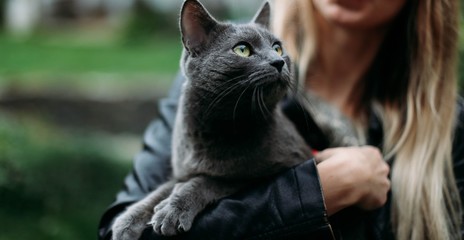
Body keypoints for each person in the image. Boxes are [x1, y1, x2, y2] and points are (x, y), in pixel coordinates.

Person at [98, 0, 464, 239]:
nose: (273, 59)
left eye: (276, 50)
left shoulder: (452, 127)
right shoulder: (208, 89)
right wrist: (315, 190)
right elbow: (123, 235)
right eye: (245, 50)